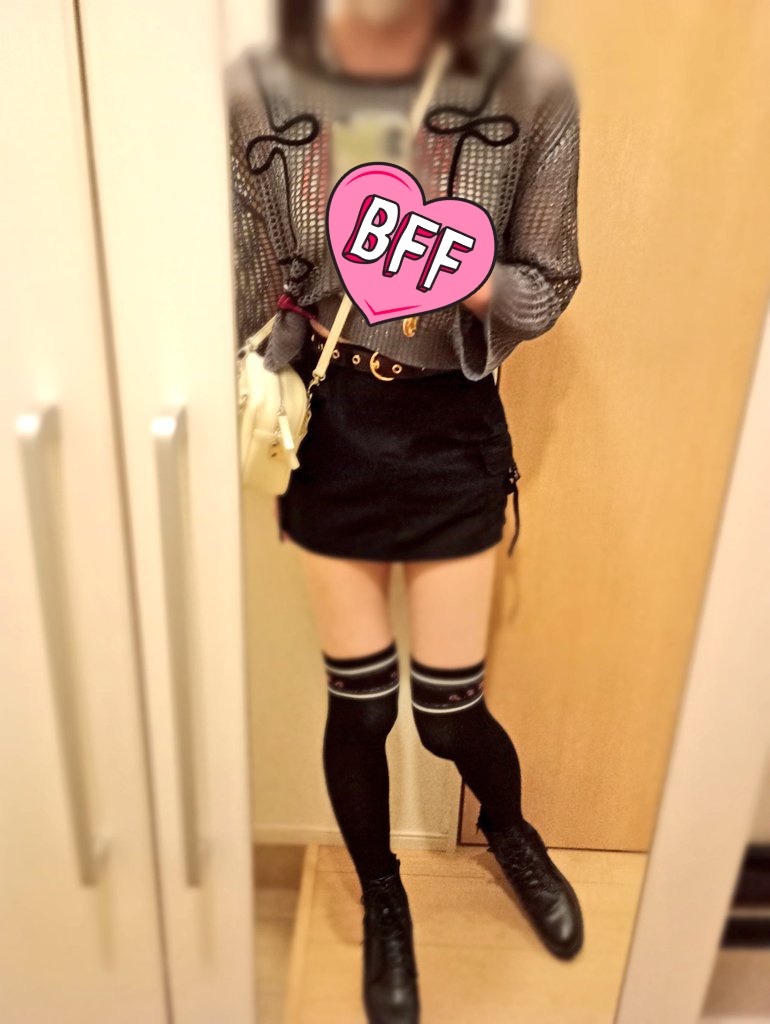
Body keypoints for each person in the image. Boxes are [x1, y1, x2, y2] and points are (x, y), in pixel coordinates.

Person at [228, 1, 584, 1020]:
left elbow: (547, 284)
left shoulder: (529, 88)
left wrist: (460, 275)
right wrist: (261, 374)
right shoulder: (258, 90)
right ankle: (383, 895)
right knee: (361, 705)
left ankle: (509, 833)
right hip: (334, 428)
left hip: (449, 428)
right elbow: (255, 286)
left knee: (447, 712)